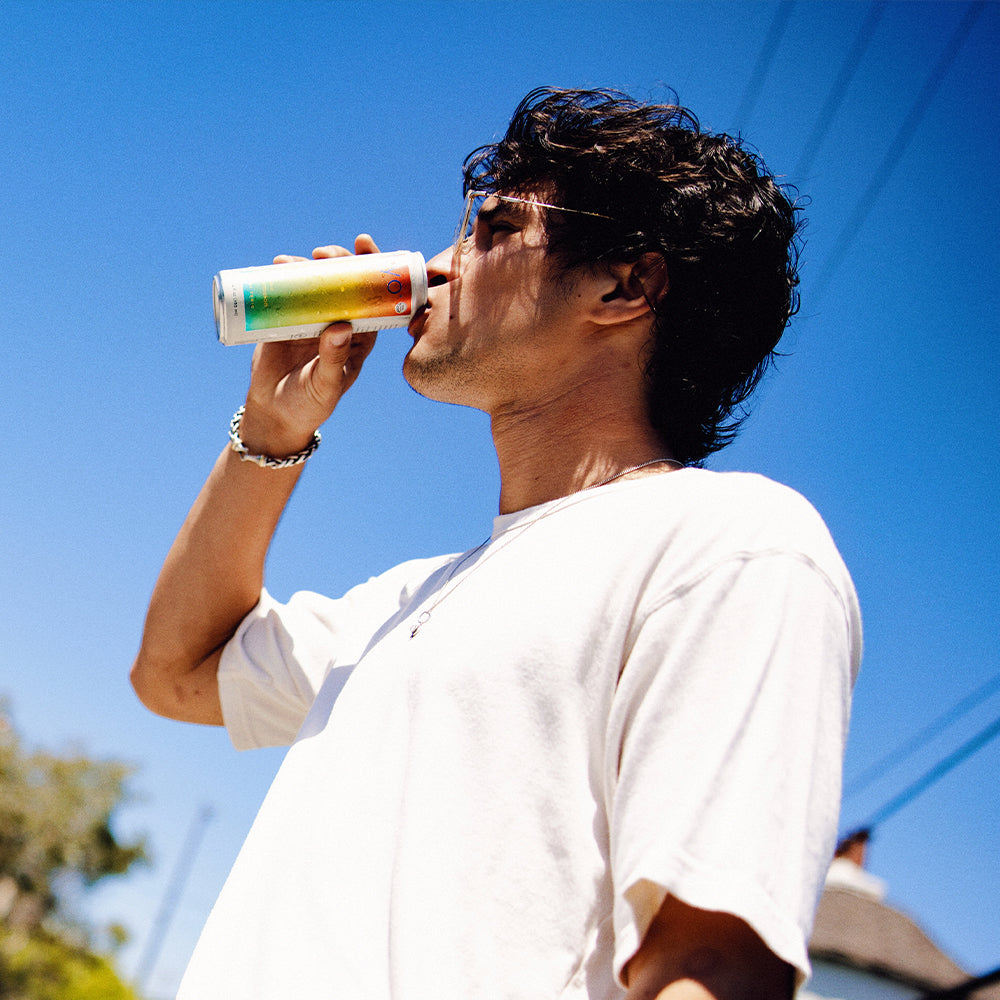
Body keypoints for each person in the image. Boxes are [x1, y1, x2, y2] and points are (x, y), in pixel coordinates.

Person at [132, 87, 861, 999]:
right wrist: (271, 434)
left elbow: (705, 967)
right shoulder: (406, 602)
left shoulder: (729, 547)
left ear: (624, 286)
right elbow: (175, 672)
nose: (436, 268)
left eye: (494, 228)